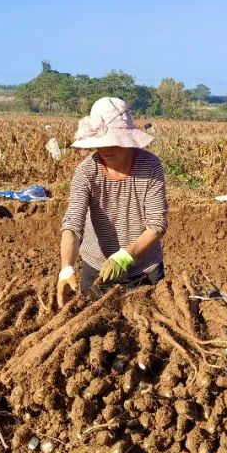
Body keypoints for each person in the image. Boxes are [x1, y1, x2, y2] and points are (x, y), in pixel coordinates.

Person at [57, 97, 168, 307]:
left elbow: (157, 225)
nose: (104, 149)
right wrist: (67, 268)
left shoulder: (151, 166)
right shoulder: (86, 172)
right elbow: (72, 225)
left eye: (111, 142)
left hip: (144, 270)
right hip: (98, 269)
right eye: (99, 143)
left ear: (127, 139)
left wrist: (125, 257)